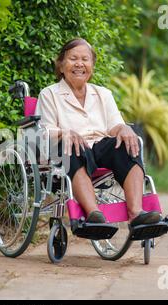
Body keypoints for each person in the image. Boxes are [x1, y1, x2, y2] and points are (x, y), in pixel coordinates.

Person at [35, 38, 161, 227]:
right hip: (69, 150)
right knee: (72, 145)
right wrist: (64, 133)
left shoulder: (103, 94)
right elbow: (44, 131)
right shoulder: (49, 94)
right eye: (73, 59)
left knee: (129, 142)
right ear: (61, 65)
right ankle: (94, 213)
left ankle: (136, 214)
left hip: (100, 147)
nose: (79, 64)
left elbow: (115, 125)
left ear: (92, 65)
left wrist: (124, 128)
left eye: (85, 59)